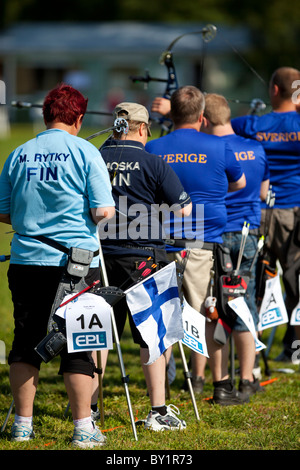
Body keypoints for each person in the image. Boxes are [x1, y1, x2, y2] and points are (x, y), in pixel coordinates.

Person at [0, 83, 115, 448]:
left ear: (45, 116)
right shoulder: (85, 152)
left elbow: (3, 211)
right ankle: (83, 427)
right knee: (79, 344)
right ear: (78, 119)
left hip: (27, 260)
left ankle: (22, 425)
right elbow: (102, 210)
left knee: (24, 342)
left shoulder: (19, 153)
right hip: (75, 265)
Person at [147, 86, 249, 405]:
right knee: (208, 313)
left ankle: (162, 390)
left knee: (162, 316)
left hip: (161, 242)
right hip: (203, 244)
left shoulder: (153, 147)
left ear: (172, 114)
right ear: (202, 117)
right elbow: (240, 183)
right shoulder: (219, 146)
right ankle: (220, 385)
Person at [99, 101, 192, 430]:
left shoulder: (96, 158)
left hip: (101, 255)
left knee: (100, 333)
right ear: (142, 128)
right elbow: (183, 210)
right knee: (153, 335)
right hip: (144, 257)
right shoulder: (153, 161)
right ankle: (158, 411)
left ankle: (91, 408)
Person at [202, 93, 270, 395]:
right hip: (247, 234)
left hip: (213, 235)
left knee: (213, 307)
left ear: (203, 119)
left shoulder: (208, 150)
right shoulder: (256, 148)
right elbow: (264, 193)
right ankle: (247, 379)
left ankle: (214, 378)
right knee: (244, 305)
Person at [231, 67, 300, 361]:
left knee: (254, 282)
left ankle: (253, 351)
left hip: (257, 210)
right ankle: (295, 349)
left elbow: (215, 122)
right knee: (296, 280)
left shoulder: (251, 124)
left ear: (273, 90)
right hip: (293, 212)